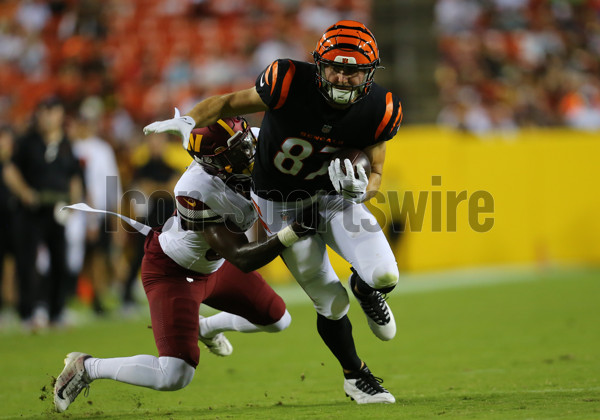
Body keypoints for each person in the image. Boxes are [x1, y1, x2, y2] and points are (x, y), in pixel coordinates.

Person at [143, 20, 403, 404]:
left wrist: (362, 190)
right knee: (330, 301)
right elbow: (229, 103)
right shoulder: (287, 81)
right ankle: (356, 376)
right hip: (280, 203)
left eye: (353, 71)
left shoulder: (381, 108)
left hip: (333, 196)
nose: (343, 77)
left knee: (384, 274)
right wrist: (189, 119)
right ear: (318, 64)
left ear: (369, 74)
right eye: (335, 67)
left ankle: (366, 288)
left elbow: (376, 171)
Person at [53, 117, 317, 413]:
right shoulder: (195, 190)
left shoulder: (251, 143)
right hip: (175, 272)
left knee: (278, 319)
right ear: (215, 163)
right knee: (175, 374)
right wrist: (295, 231)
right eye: (237, 150)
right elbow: (242, 257)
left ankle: (205, 327)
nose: (249, 151)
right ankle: (87, 367)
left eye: (245, 142)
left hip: (215, 265)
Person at [3, 96, 84, 328]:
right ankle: (27, 312)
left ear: (60, 116)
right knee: (26, 262)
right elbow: (9, 170)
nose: (48, 117)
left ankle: (56, 311)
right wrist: (25, 192)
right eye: (44, 111)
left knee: (60, 260)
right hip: (31, 211)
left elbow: (74, 176)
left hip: (57, 210)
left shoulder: (67, 144)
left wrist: (74, 201)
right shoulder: (27, 142)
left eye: (53, 111)